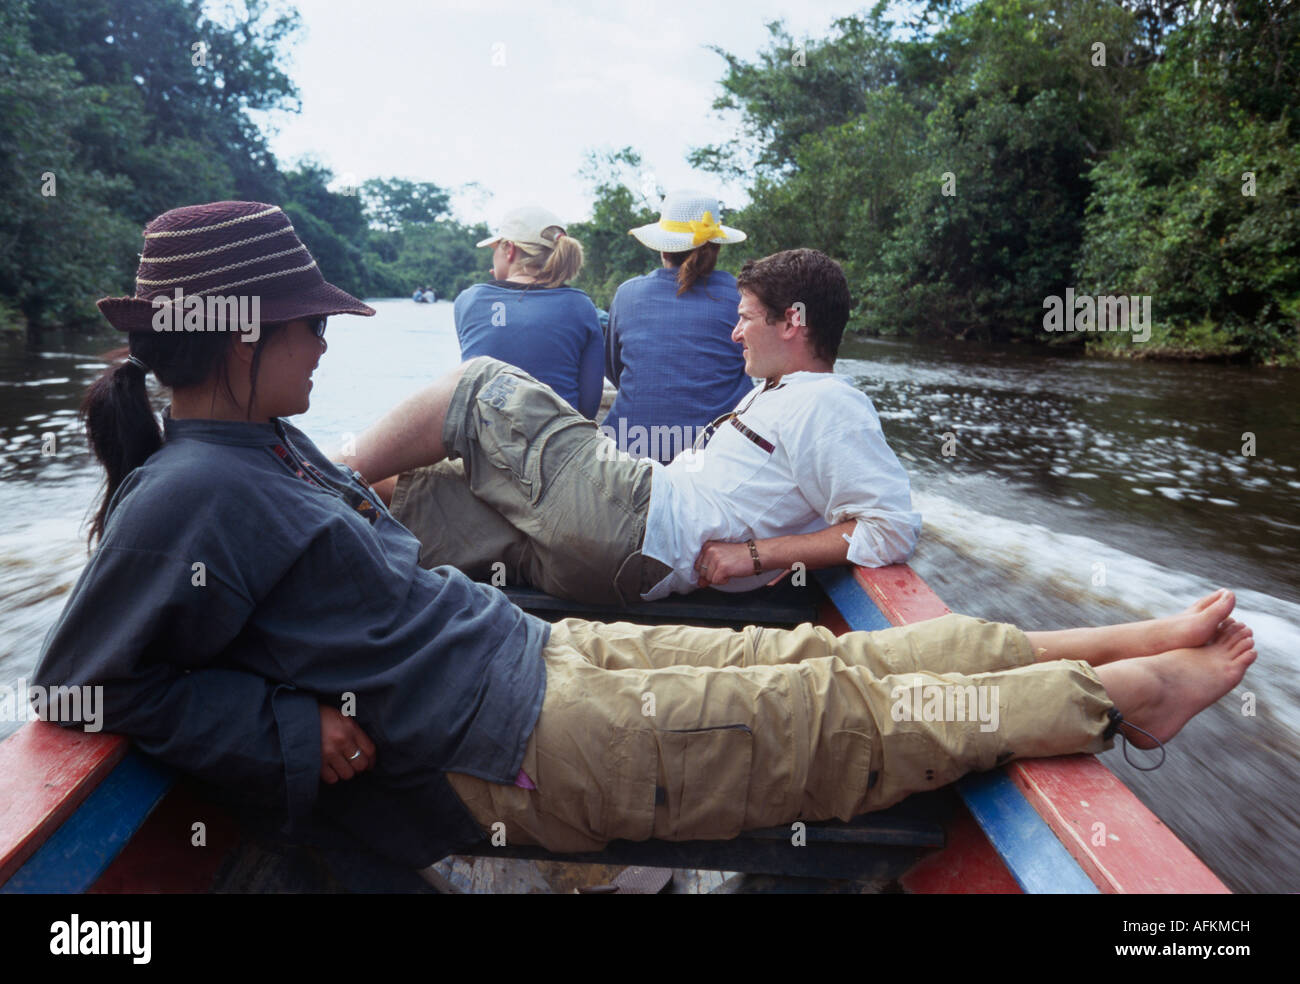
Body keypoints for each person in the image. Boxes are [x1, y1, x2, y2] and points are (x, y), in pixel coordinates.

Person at [33, 200, 1257, 874]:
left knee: (827, 665)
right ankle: (1113, 700)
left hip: (538, 657)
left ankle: (1100, 651)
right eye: (308, 327)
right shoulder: (188, 496)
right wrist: (280, 726)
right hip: (520, 744)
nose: (324, 345)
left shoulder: (274, 452)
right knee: (838, 726)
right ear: (242, 340)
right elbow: (82, 686)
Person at [352, 248, 922, 605]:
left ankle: (315, 469)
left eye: (745, 318)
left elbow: (891, 526)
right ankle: (302, 497)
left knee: (479, 384)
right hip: (610, 562)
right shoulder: (776, 393)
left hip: (637, 516)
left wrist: (758, 555)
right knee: (424, 489)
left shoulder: (829, 403)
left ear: (792, 321)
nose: (735, 333)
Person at [604, 190, 755, 464]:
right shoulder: (742, 297)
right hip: (714, 455)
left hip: (629, 450)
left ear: (663, 248)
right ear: (716, 247)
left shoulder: (627, 294)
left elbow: (615, 370)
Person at [453, 205, 603, 418]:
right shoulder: (581, 306)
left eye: (495, 248)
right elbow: (588, 408)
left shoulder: (469, 300)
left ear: (509, 249)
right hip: (558, 441)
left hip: (483, 442)